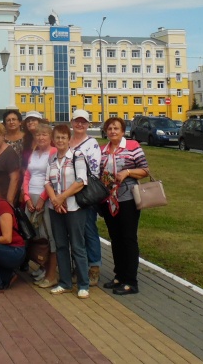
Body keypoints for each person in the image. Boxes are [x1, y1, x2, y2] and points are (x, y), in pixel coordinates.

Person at [98, 117, 149, 296]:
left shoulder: (132, 146)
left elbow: (145, 170)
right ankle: (119, 275)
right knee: (115, 238)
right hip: (109, 200)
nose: (112, 131)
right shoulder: (103, 150)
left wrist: (127, 172)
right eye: (109, 128)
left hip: (128, 198)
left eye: (116, 128)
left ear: (123, 131)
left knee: (128, 238)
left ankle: (131, 281)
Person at [45, 122, 91, 298]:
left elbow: (81, 181)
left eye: (63, 137)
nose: (60, 140)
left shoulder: (77, 156)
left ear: (69, 139)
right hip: (55, 208)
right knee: (61, 245)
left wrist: (62, 197)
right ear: (53, 140)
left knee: (78, 246)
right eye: (57, 137)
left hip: (74, 208)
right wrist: (55, 200)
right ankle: (65, 282)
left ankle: (83, 284)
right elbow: (47, 182)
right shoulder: (52, 159)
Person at [68, 108, 103, 283]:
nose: (80, 124)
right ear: (72, 122)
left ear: (88, 124)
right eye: (77, 121)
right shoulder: (67, 141)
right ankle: (79, 266)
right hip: (68, 192)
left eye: (83, 121)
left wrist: (78, 185)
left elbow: (95, 170)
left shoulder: (92, 143)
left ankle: (94, 266)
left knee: (88, 229)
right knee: (74, 232)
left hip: (85, 194)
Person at [22, 122, 58, 286]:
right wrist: (27, 197)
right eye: (38, 135)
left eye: (44, 135)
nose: (41, 137)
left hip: (46, 198)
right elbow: (27, 176)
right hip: (31, 198)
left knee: (48, 235)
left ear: (50, 137)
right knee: (34, 235)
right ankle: (41, 266)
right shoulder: (34, 153)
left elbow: (52, 177)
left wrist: (43, 199)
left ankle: (51, 272)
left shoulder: (53, 152)